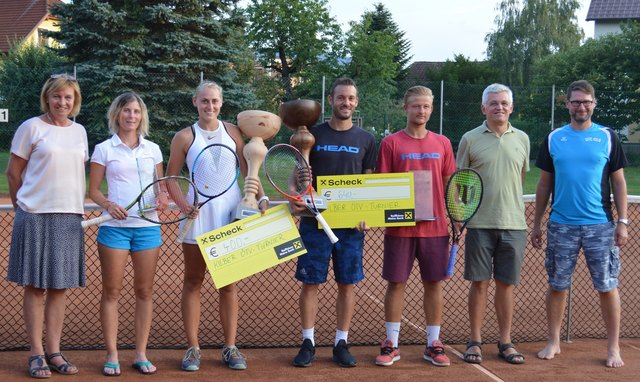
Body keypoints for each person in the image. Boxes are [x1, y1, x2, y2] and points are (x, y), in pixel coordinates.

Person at [166, 81, 268, 372]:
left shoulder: (233, 132)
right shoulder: (184, 137)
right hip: (197, 218)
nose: (209, 106)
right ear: (195, 102)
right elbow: (171, 178)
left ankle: (230, 346)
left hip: (229, 217)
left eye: (214, 102)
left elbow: (250, 171)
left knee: (227, 283)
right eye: (204, 101)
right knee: (193, 282)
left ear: (221, 104)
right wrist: (184, 207)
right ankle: (193, 348)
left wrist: (261, 198)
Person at [532, 80, 628, 368]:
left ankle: (613, 348)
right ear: (567, 105)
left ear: (593, 104)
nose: (581, 106)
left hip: (600, 225)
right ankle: (554, 341)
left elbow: (619, 181)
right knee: (558, 285)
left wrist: (622, 221)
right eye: (575, 102)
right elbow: (544, 183)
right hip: (561, 225)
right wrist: (537, 223)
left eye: (586, 101)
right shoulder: (554, 138)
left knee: (607, 286)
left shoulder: (608, 137)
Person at [6, 74, 87, 378]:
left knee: (58, 287)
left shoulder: (79, 132)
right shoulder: (31, 127)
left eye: (68, 97)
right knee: (35, 287)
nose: (62, 102)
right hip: (35, 215)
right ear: (47, 98)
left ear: (74, 100)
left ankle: (54, 351)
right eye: (57, 97)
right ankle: (36, 353)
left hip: (69, 217)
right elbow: (13, 173)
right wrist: (22, 206)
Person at [291, 78, 376, 368]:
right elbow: (297, 175)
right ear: (331, 100)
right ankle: (308, 342)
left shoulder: (366, 139)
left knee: (347, 284)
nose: (346, 103)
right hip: (314, 223)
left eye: (351, 98)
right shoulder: (311, 136)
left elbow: (367, 183)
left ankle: (341, 342)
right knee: (310, 283)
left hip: (351, 227)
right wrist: (296, 198)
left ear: (357, 102)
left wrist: (367, 214)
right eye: (341, 98)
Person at [374, 86, 456, 367]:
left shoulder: (443, 143)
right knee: (396, 283)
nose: (421, 111)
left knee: (433, 284)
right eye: (416, 106)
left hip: (436, 228)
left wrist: (455, 216)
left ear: (431, 109)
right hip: (400, 227)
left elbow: (449, 185)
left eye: (426, 107)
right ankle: (391, 343)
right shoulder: (391, 143)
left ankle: (433, 343)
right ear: (405, 108)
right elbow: (382, 186)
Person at [88, 92, 168, 376]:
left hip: (147, 228)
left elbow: (160, 187)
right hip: (114, 229)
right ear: (117, 114)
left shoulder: (153, 149)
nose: (131, 116)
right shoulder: (103, 149)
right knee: (111, 292)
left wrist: (162, 199)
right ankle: (112, 354)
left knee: (144, 292)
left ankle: (140, 353)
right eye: (126, 111)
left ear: (141, 116)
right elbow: (94, 190)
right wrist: (109, 204)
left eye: (135, 111)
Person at [456, 84, 530, 365]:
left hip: (514, 224)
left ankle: (505, 341)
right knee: (479, 283)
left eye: (504, 103)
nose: (499, 107)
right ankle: (474, 340)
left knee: (506, 285)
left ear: (511, 108)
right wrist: (460, 215)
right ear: (483, 108)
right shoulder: (470, 139)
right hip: (479, 224)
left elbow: (519, 179)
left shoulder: (522, 139)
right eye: (493, 103)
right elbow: (462, 182)